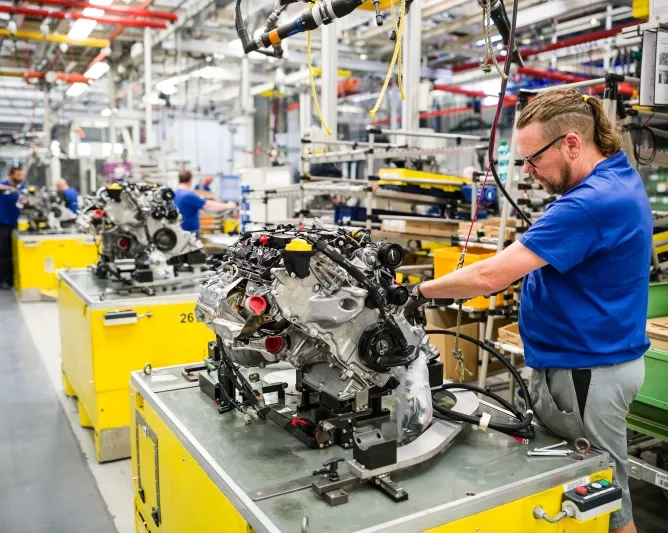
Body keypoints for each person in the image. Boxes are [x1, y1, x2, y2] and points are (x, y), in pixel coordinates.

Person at [410, 89, 650, 533]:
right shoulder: (618, 175)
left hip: (586, 374)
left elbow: (490, 278)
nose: (527, 170)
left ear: (572, 144)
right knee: (581, 492)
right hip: (594, 363)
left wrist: (418, 291)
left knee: (602, 501)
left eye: (533, 158)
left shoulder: (588, 204)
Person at [174, 170, 236, 235]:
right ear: (190, 179)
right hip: (188, 234)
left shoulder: (175, 193)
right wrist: (228, 205)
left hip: (179, 232)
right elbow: (209, 205)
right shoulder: (188, 195)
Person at [0, 166, 26, 289]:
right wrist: (11, 188)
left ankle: (11, 279)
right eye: (18, 175)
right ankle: (3, 280)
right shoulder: (4, 185)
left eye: (21, 175)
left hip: (14, 223)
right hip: (2, 223)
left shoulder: (22, 187)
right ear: (12, 175)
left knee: (13, 252)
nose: (20, 177)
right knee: (3, 253)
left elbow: (25, 198)